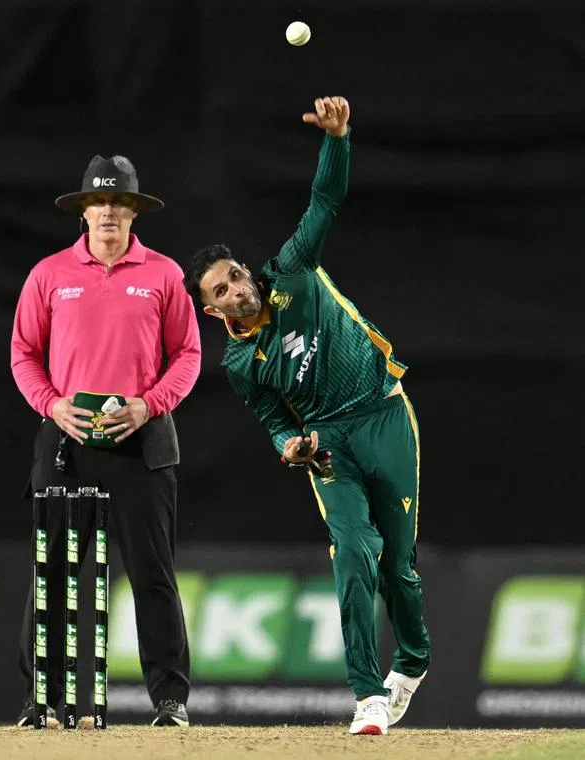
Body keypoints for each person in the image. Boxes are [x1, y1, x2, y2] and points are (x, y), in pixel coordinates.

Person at [182, 96, 431, 736]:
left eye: (236, 275)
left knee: (398, 568)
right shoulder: (240, 365)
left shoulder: (291, 271)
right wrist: (290, 445)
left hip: (384, 416)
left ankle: (416, 658)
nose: (239, 288)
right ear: (212, 311)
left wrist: (338, 139)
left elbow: (325, 201)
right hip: (330, 447)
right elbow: (273, 421)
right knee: (353, 553)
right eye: (223, 290)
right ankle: (367, 694)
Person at [10, 154, 202, 727]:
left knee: (152, 573)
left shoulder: (164, 274)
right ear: (84, 212)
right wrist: (52, 405)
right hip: (68, 444)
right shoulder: (49, 275)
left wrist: (149, 404)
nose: (110, 212)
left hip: (142, 442)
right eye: (100, 202)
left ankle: (170, 700)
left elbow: (188, 355)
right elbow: (23, 354)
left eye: (121, 203)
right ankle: (41, 700)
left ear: (134, 212)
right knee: (54, 576)